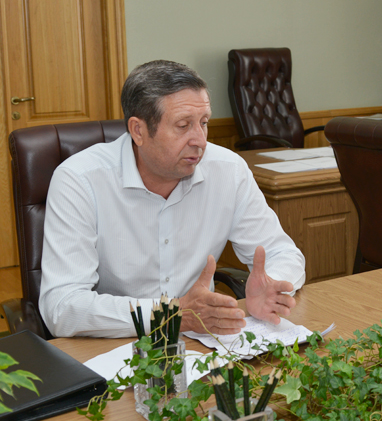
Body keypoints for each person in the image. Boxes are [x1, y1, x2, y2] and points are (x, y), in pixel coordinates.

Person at [39, 60, 307, 338]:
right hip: (117, 343)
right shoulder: (80, 180)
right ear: (138, 131)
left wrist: (272, 284)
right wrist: (173, 315)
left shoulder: (228, 169)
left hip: (201, 340)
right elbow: (61, 306)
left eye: (204, 123)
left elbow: (283, 253)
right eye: (183, 125)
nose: (200, 140)